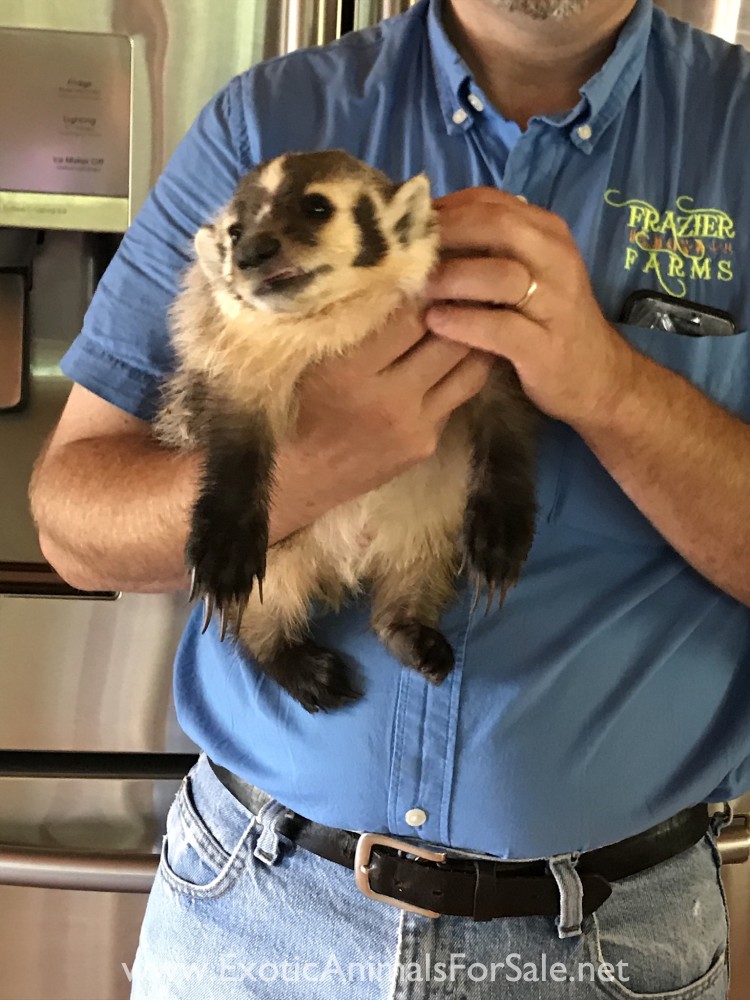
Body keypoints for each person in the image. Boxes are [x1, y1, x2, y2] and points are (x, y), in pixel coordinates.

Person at [29, 0, 750, 995]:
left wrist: (613, 389)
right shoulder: (264, 115)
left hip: (610, 938)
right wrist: (313, 461)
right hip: (254, 902)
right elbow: (76, 528)